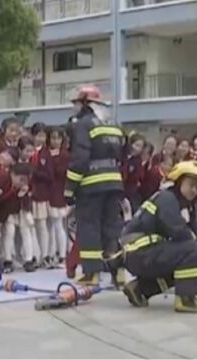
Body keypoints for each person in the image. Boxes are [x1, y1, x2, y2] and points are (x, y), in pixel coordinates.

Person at [107, 160, 197, 313]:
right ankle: (187, 299)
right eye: (191, 184)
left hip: (137, 254)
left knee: (182, 266)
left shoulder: (170, 199)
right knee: (190, 249)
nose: (194, 190)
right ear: (178, 181)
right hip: (140, 253)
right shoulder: (168, 199)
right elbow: (178, 231)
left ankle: (140, 289)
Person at [64, 84, 125, 286]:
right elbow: (122, 154)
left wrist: (70, 187)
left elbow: (80, 158)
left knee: (89, 228)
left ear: (85, 103)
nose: (74, 107)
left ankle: (92, 274)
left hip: (90, 186)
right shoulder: (112, 124)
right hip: (114, 184)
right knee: (111, 228)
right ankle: (119, 273)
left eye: (76, 102)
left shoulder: (83, 124)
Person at [0, 161, 33, 273]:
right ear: (13, 175)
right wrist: (14, 192)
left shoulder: (27, 185)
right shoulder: (7, 182)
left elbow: (30, 195)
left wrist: (25, 193)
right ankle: (7, 259)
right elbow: (2, 199)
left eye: (25, 180)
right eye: (20, 179)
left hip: (23, 211)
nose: (22, 182)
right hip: (10, 211)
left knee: (26, 233)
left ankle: (28, 259)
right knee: (9, 233)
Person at [29, 123, 53, 267]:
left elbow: (49, 176)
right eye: (38, 135)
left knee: (42, 225)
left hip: (42, 194)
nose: (41, 139)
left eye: (43, 136)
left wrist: (35, 172)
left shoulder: (46, 154)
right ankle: (33, 255)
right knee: (29, 226)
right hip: (29, 194)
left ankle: (45, 255)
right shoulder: (28, 151)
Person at [47, 127, 69, 265]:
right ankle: (50, 254)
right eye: (53, 138)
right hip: (47, 191)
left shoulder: (65, 155)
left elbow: (64, 172)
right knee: (48, 224)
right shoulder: (45, 153)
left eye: (58, 138)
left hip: (59, 190)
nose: (56, 141)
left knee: (58, 223)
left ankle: (61, 254)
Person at [123, 133, 146, 213]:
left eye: (140, 146)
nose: (136, 148)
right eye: (136, 144)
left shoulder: (138, 161)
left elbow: (136, 178)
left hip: (130, 192)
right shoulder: (122, 156)